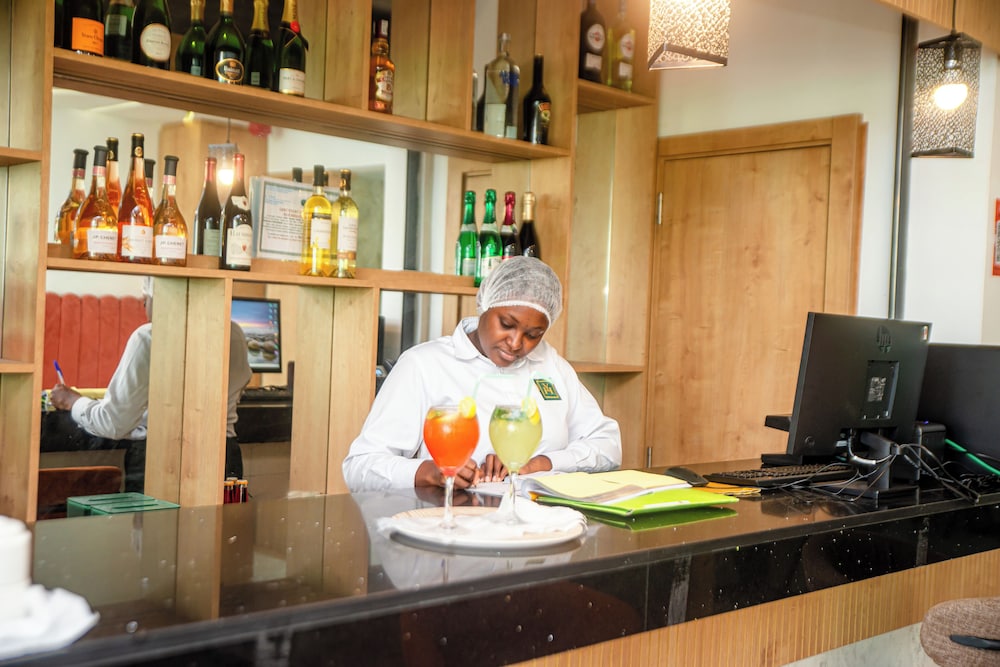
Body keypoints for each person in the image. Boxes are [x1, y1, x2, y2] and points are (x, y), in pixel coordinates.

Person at [343, 256, 622, 492]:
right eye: (506, 324)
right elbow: (360, 466)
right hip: (455, 525)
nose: (516, 343)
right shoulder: (424, 365)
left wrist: (543, 463)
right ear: (485, 306)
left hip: (545, 527)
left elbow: (608, 446)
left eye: (533, 334)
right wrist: (428, 472)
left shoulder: (552, 367)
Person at [49, 278, 253, 492]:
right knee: (224, 516)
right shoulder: (234, 333)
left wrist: (73, 401)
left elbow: (114, 422)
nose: (143, 304)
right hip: (226, 457)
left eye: (146, 298)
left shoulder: (148, 337)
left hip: (162, 458)